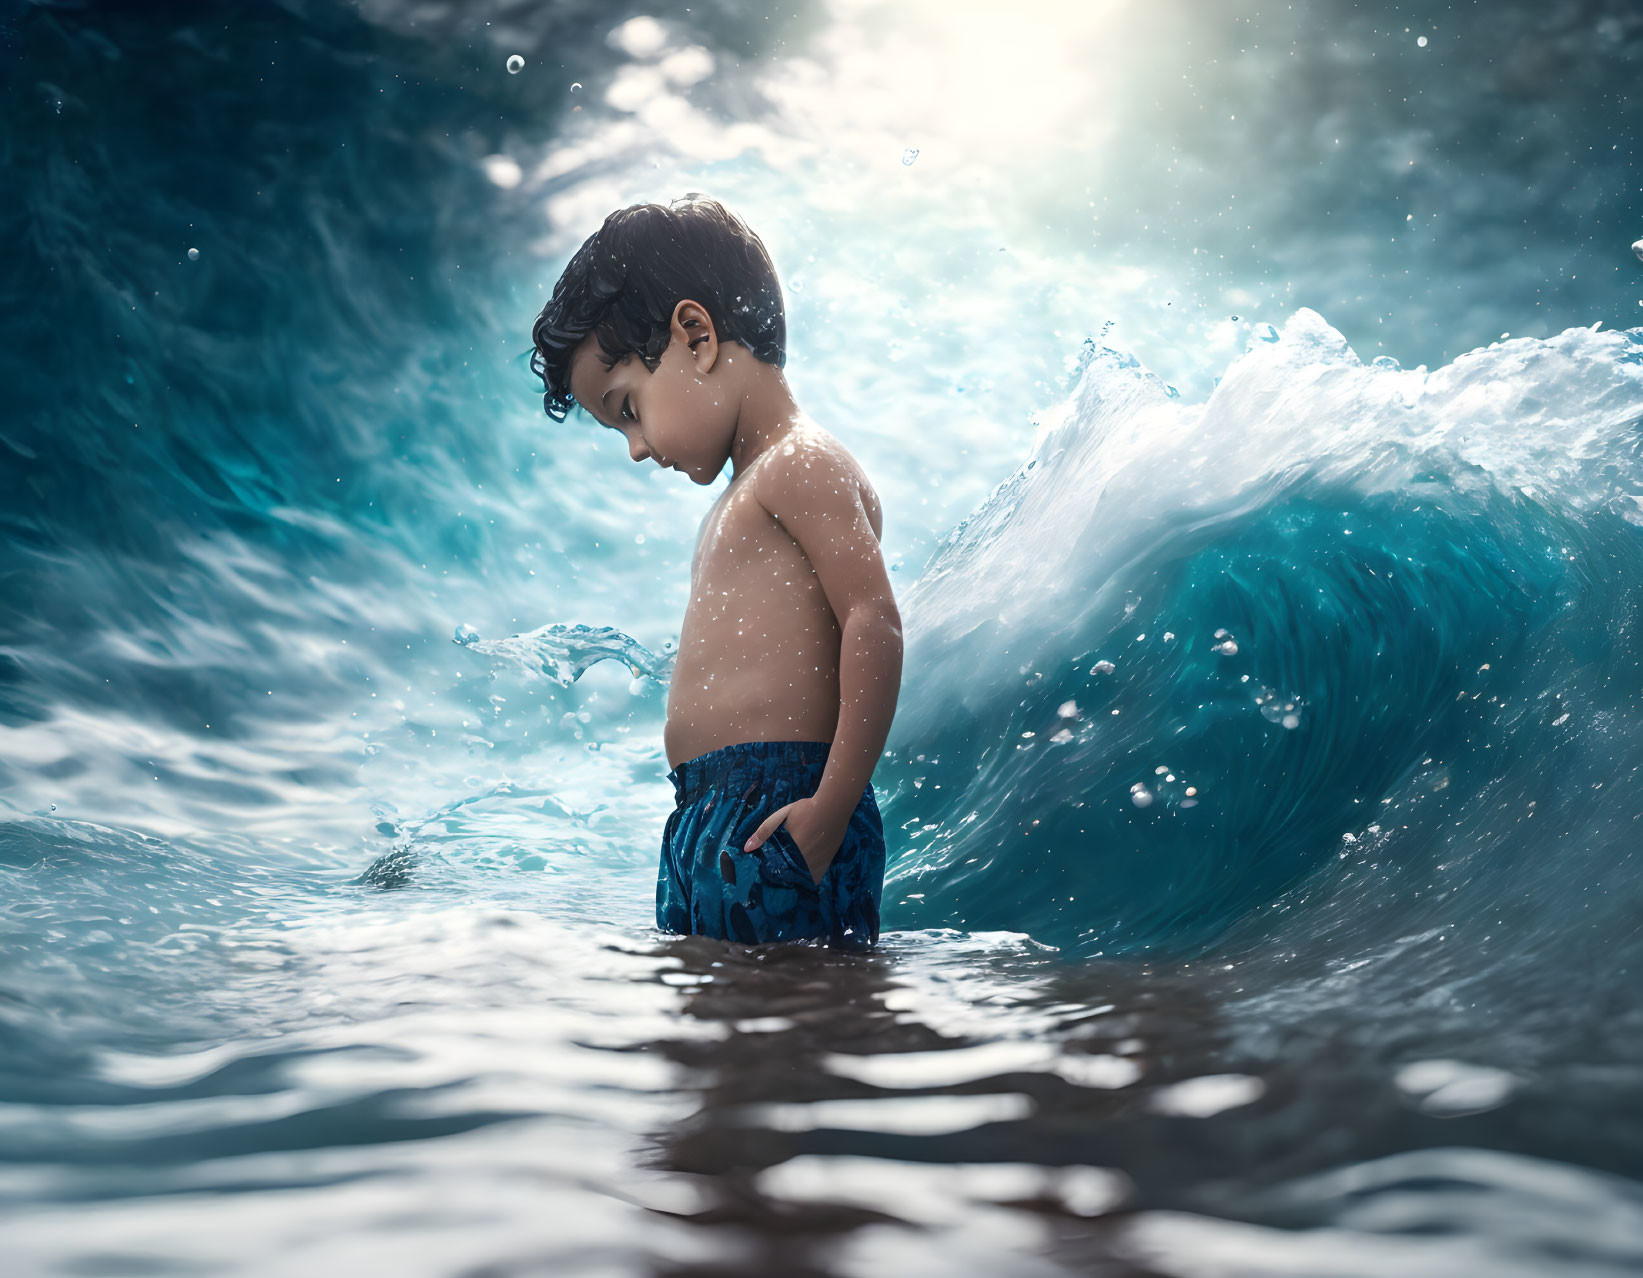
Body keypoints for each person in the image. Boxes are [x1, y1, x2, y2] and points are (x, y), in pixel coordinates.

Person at [529, 194, 902, 948]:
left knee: (799, 1025)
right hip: (705, 812)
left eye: (627, 407)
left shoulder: (801, 465)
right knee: (713, 1038)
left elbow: (874, 620)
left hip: (783, 807)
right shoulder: (743, 495)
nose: (635, 447)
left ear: (694, 335)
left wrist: (830, 809)